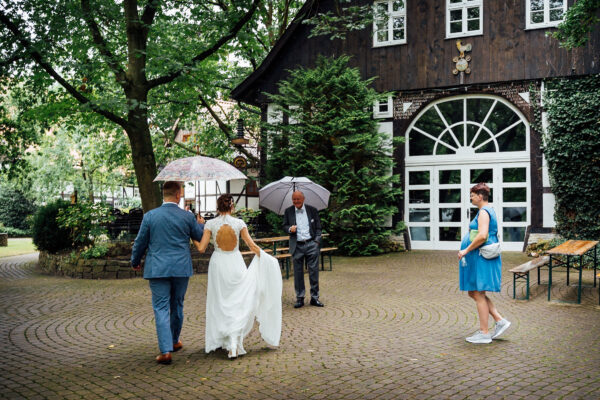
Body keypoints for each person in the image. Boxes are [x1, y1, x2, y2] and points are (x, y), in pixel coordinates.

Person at [194, 194, 282, 359]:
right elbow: (251, 244)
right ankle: (233, 343)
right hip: (235, 262)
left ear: (218, 207)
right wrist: (266, 257)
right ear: (232, 207)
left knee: (220, 303)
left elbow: (201, 248)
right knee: (237, 302)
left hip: (218, 264)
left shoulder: (210, 224)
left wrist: (193, 235)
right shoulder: (239, 223)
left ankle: (226, 340)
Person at [131, 181, 205, 364]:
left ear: (164, 194)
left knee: (161, 308)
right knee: (177, 304)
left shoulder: (150, 216)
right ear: (178, 194)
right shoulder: (187, 217)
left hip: (157, 268)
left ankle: (165, 351)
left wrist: (135, 261)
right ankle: (174, 341)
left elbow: (140, 242)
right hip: (181, 268)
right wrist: (201, 224)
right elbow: (200, 237)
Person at [458, 183, 511, 344]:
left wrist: (466, 250)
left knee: (478, 293)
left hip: (481, 257)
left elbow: (482, 236)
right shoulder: (486, 211)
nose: (471, 197)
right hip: (479, 257)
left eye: (473, 195)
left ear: (480, 196)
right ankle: (499, 320)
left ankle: (484, 333)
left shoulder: (484, 212)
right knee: (473, 292)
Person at [282, 190, 323, 308]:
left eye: (298, 199)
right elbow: (284, 226)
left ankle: (315, 298)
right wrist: (290, 229)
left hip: (311, 244)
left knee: (314, 272)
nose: (296, 201)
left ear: (303, 199)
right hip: (297, 246)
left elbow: (319, 228)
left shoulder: (312, 210)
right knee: (298, 273)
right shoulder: (288, 211)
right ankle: (300, 298)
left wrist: (316, 242)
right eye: (294, 199)